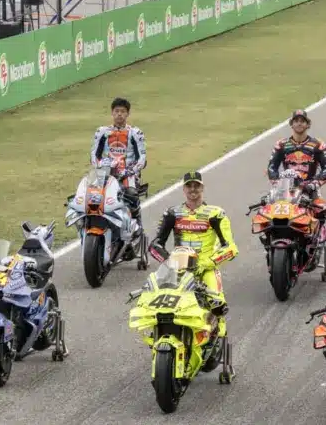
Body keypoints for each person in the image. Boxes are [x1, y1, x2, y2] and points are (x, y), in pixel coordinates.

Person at [149, 171, 239, 333]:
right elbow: (155, 245)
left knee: (217, 303)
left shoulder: (216, 214)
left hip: (206, 269)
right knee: (156, 302)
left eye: (196, 185)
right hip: (177, 269)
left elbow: (231, 248)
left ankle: (220, 338)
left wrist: (206, 264)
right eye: (189, 186)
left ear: (202, 187)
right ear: (183, 189)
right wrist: (169, 262)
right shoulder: (172, 213)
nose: (193, 189)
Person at [265, 108, 326, 237]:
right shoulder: (281, 144)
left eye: (302, 121)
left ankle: (319, 237)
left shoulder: (317, 144)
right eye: (296, 121)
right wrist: (276, 183)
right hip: (287, 188)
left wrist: (315, 184)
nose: (299, 123)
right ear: (291, 124)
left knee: (321, 209)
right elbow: (271, 167)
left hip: (309, 187)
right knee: (268, 210)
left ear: (308, 124)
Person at [91, 97, 148, 225]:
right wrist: (100, 166)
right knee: (92, 195)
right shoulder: (102, 132)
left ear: (128, 114)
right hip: (105, 172)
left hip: (128, 173)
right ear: (112, 112)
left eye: (122, 111)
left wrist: (130, 170)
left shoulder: (135, 133)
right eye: (116, 111)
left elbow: (142, 158)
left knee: (131, 194)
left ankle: (137, 226)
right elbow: (94, 155)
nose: (119, 114)